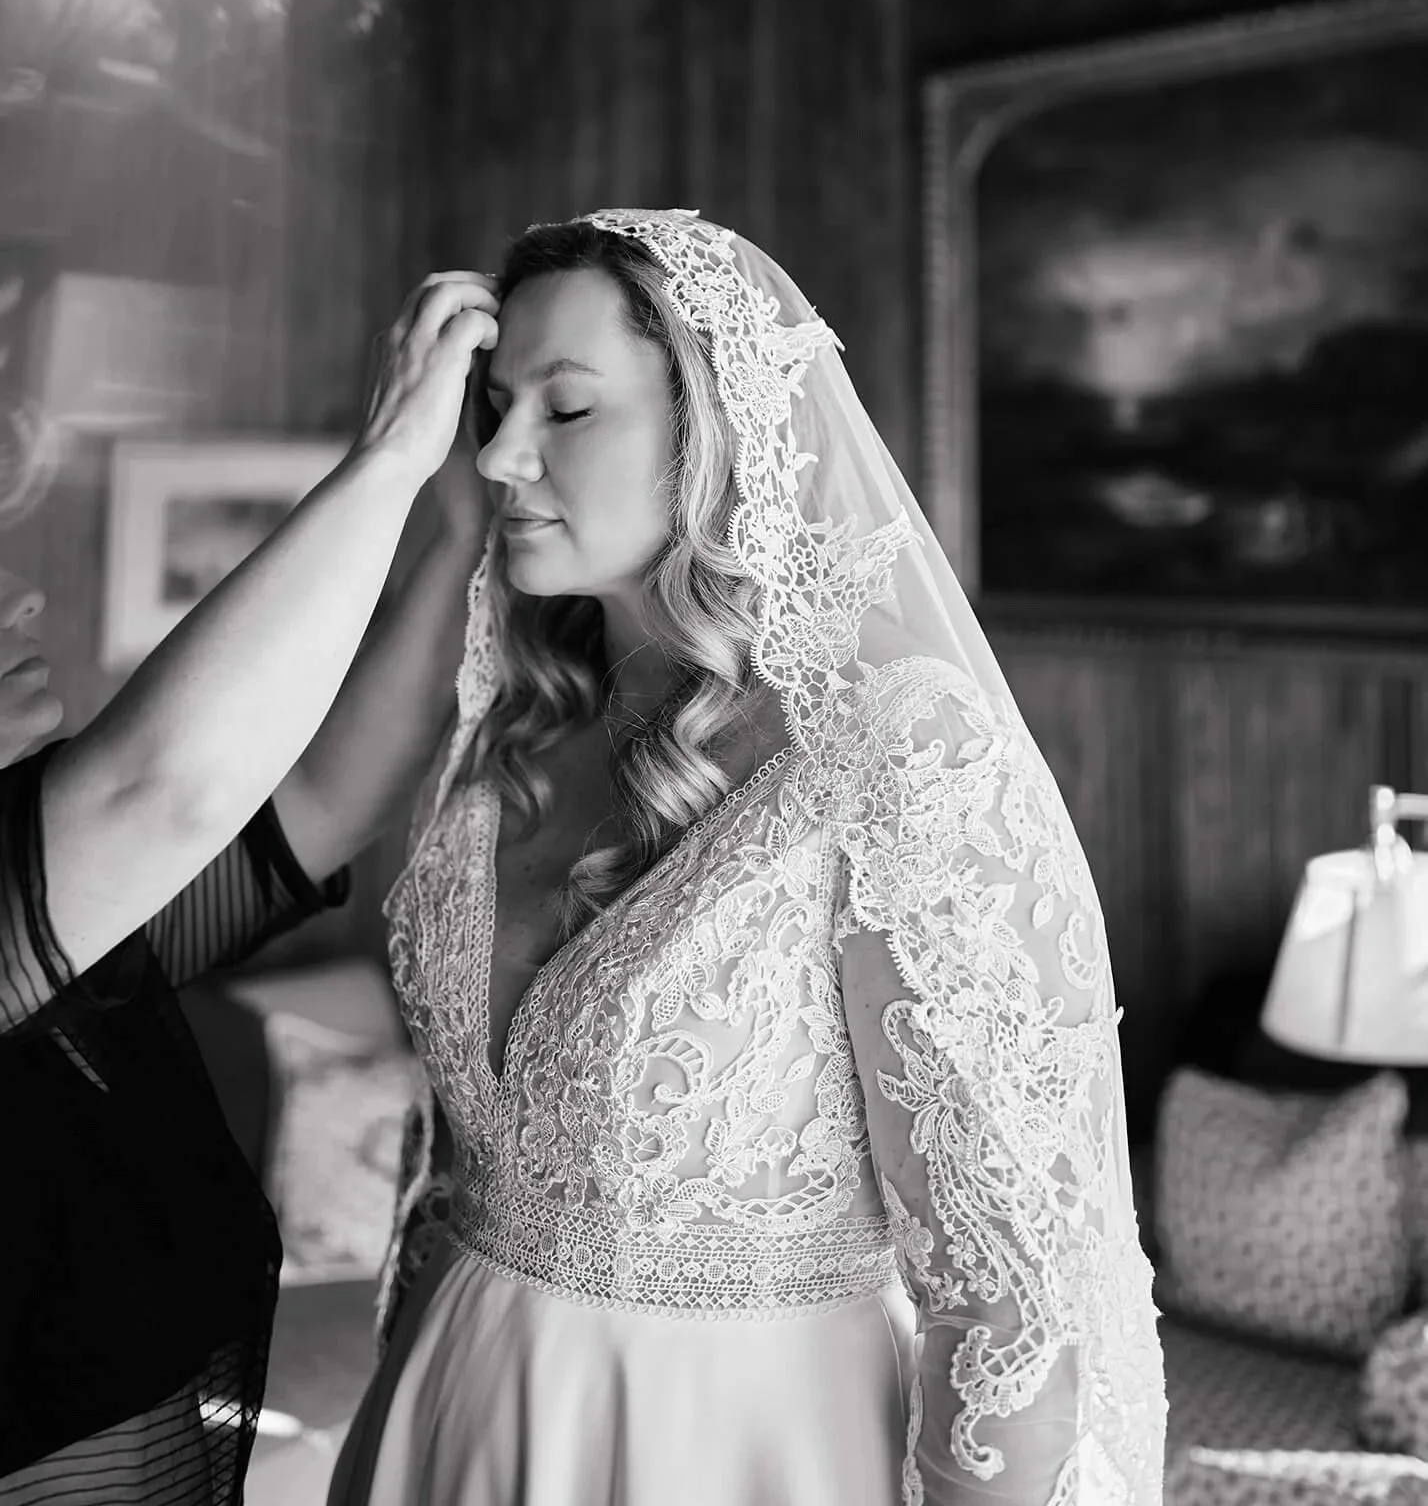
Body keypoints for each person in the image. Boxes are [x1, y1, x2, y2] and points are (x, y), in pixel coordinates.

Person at [328, 211, 1166, 1506]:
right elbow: (447, 1175)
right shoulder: (509, 729)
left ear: (711, 426)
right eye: (494, 405)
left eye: (568, 409)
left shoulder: (894, 759)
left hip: (736, 1448)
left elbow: (1012, 1312)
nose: (500, 453)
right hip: (456, 1414)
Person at [0, 271, 499, 1504]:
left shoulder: (65, 900)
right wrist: (385, 457)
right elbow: (162, 788)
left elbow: (332, 792)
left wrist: (466, 532)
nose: (20, 596)